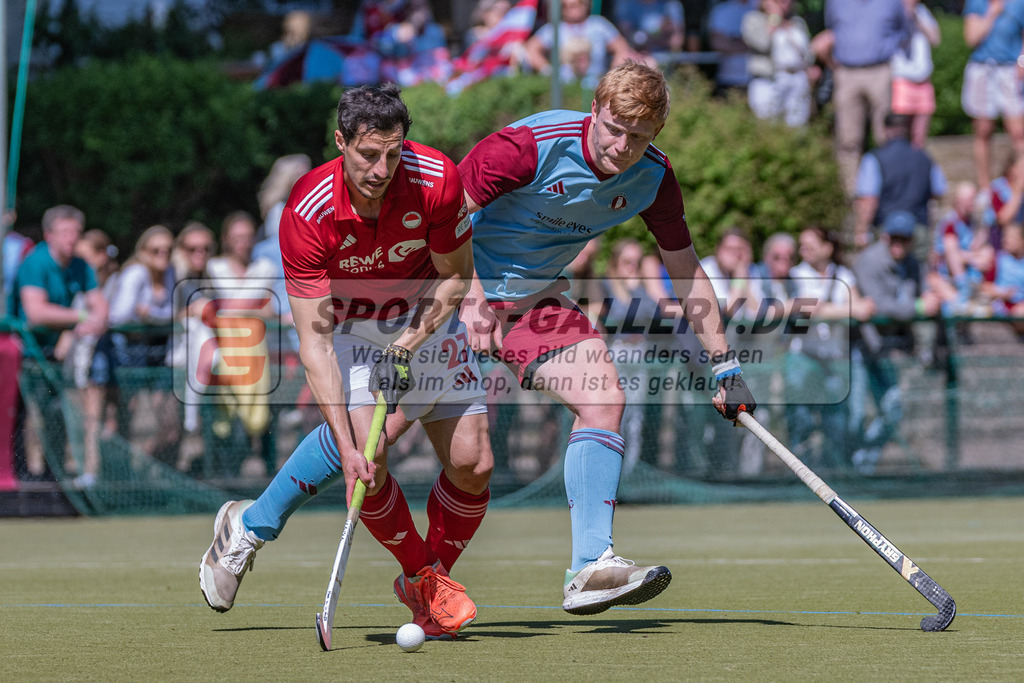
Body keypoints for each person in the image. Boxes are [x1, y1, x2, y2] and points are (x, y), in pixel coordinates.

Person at [457, 61, 756, 615]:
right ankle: (250, 524)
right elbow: (441, 218)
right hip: (451, 289)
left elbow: (685, 270)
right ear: (594, 110)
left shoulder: (653, 178)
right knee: (374, 444)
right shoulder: (525, 147)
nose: (622, 146)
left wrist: (724, 366)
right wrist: (472, 300)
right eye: (614, 128)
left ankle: (591, 566)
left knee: (603, 400)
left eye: (639, 137)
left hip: (533, 301)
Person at [200, 83, 493, 642]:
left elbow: (456, 276)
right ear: (341, 142)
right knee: (369, 451)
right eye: (368, 154)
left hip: (426, 314)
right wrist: (348, 440)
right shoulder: (306, 212)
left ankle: (417, 579)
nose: (382, 168)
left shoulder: (435, 180)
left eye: (393, 152)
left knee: (473, 462)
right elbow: (313, 341)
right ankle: (424, 578)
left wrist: (406, 346)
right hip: (349, 329)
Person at [8, 205, 110, 488]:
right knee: (22, 417)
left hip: (55, 356)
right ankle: (22, 475)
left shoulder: (80, 265)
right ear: (48, 234)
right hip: (23, 353)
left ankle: (52, 475)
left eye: (76, 232)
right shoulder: (35, 262)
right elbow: (35, 313)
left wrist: (89, 322)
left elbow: (100, 307)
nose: (71, 238)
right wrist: (78, 318)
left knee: (56, 414)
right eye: (65, 232)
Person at [850, 211, 940, 474]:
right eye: (895, 237)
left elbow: (925, 291)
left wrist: (931, 298)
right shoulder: (869, 261)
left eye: (905, 238)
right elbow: (881, 306)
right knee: (854, 415)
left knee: (893, 409)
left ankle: (862, 466)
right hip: (862, 348)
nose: (899, 243)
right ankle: (845, 468)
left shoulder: (914, 264)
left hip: (891, 351)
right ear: (886, 236)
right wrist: (920, 306)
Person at [786, 226, 875, 468]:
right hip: (804, 357)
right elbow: (805, 310)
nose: (804, 250)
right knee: (801, 419)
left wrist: (824, 310)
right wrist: (845, 309)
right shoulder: (795, 275)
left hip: (835, 360)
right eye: (802, 245)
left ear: (827, 248)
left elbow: (863, 311)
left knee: (837, 422)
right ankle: (800, 474)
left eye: (810, 245)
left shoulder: (844, 275)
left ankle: (835, 473)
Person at [821, 0, 910, 195]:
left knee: (885, 136)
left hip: (880, 70)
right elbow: (831, 30)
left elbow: (904, 30)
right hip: (846, 72)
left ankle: (888, 192)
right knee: (847, 139)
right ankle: (851, 196)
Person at [107, 225, 179, 459]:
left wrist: (151, 316)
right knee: (130, 415)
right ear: (143, 251)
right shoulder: (136, 273)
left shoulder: (169, 273)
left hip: (157, 350)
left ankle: (149, 463)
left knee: (167, 421)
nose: (163, 255)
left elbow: (173, 312)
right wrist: (149, 316)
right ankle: (124, 467)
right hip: (130, 351)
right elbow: (118, 315)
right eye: (156, 250)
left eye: (167, 250)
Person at [852, 112, 947, 251]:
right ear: (907, 129)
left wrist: (861, 231)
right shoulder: (924, 158)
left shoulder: (874, 158)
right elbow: (939, 191)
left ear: (885, 129)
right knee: (916, 271)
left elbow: (869, 199)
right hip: (918, 228)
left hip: (886, 230)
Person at [962, 1, 1024, 191]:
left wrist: (1022, 62)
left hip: (1009, 70)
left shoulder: (1018, 3)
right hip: (982, 69)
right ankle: (985, 188)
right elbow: (971, 38)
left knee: (1018, 132)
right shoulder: (977, 3)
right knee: (983, 130)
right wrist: (992, 13)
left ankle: (1018, 183)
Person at [524, 0, 639, 90]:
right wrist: (547, 71)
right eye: (566, 5)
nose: (572, 9)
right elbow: (531, 48)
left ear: (585, 4)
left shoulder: (598, 25)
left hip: (596, 83)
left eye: (577, 4)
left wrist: (613, 72)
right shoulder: (555, 28)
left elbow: (621, 46)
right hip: (565, 85)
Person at [741, 0, 815, 127]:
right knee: (767, 125)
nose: (784, 4)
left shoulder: (797, 21)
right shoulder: (754, 19)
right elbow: (763, 43)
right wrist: (774, 19)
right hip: (769, 80)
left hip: (797, 79)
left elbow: (807, 52)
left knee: (797, 125)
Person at [891, 0, 940, 149]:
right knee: (900, 134)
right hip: (902, 80)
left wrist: (916, 17)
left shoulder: (922, 11)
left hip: (924, 81)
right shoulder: (893, 10)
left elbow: (935, 40)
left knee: (920, 137)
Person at [708, 0, 758, 98]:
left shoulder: (760, 7)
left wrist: (732, 41)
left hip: (757, 81)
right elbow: (718, 43)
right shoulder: (721, 10)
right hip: (727, 80)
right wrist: (751, 44)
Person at [614, 0, 686, 59]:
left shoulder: (672, 5)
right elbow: (624, 39)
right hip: (636, 58)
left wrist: (650, 39)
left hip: (665, 59)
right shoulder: (627, 5)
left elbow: (677, 41)